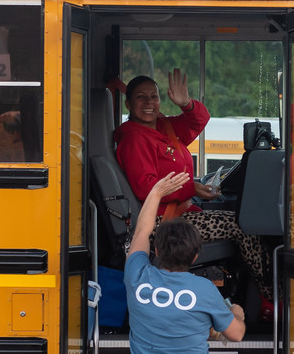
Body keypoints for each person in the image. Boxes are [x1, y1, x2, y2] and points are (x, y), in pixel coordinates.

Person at [113, 68, 275, 320]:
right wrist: (191, 188)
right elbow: (147, 187)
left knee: (239, 214)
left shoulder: (163, 127)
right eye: (141, 98)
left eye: (153, 97)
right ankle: (270, 298)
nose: (149, 103)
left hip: (181, 211)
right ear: (128, 103)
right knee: (243, 225)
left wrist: (186, 104)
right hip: (161, 224)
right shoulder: (134, 138)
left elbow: (198, 121)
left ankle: (246, 296)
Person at [124, 171, 246, 353]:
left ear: (156, 251)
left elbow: (142, 231)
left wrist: (157, 191)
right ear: (195, 256)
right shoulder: (205, 290)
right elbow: (236, 335)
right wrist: (236, 312)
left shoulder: (138, 277)